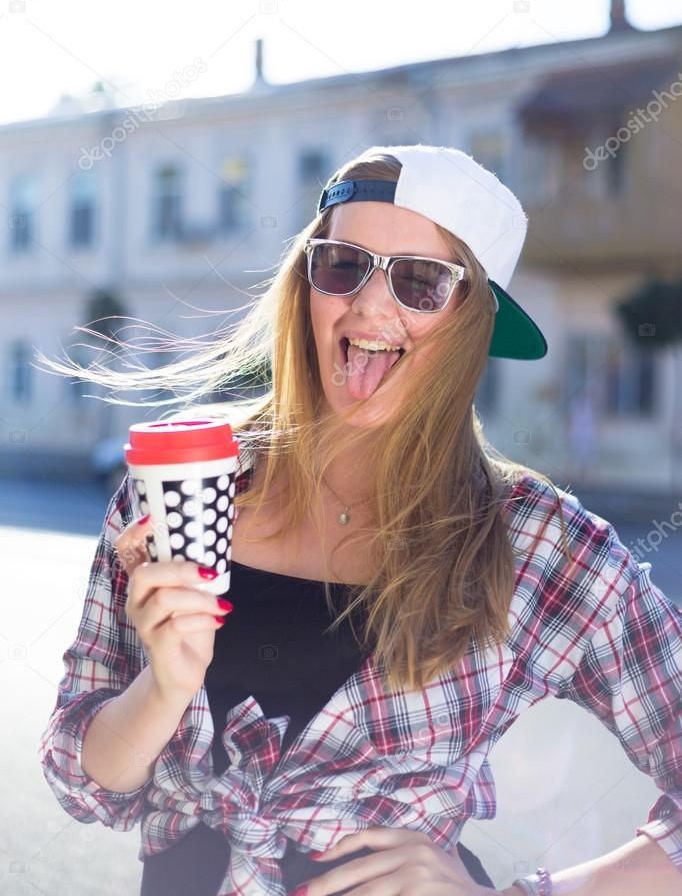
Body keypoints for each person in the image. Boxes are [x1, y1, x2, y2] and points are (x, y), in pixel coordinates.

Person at [37, 145, 681, 896]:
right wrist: (163, 687)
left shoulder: (539, 543)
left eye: (419, 281)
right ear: (306, 284)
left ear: (473, 319)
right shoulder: (183, 486)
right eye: (342, 264)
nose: (371, 306)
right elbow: (81, 784)